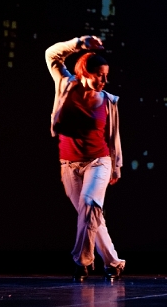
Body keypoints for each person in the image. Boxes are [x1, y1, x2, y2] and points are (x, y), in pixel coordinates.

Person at [45, 35, 125, 281]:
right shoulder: (65, 84)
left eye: (106, 76)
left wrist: (116, 166)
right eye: (99, 75)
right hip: (69, 165)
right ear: (84, 73)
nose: (104, 80)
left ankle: (83, 262)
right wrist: (80, 43)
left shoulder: (108, 101)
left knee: (90, 206)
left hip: (99, 162)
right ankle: (113, 262)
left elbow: (113, 137)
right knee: (90, 216)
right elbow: (51, 55)